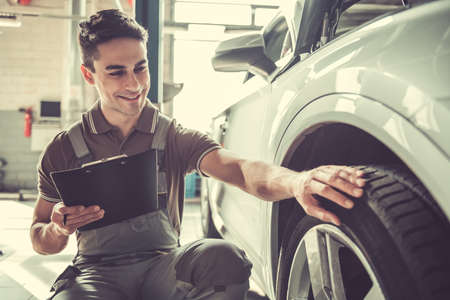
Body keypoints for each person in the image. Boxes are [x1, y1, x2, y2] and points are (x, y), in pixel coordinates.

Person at [30, 9, 366, 300]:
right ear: (89, 74)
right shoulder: (63, 149)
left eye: (140, 68)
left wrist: (297, 182)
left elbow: (241, 170)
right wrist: (58, 229)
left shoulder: (172, 137)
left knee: (222, 257)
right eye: (116, 72)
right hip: (96, 274)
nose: (133, 83)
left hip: (164, 267)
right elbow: (39, 236)